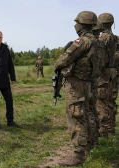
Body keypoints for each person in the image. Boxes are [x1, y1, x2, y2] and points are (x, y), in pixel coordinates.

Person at [54, 11, 98, 166]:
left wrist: (57, 63)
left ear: (81, 24)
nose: (75, 25)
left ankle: (78, 154)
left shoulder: (82, 41)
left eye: (77, 22)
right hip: (89, 83)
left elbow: (64, 59)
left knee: (76, 116)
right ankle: (91, 145)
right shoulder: (97, 41)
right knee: (87, 114)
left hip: (77, 85)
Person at [96, 13, 117, 136]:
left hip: (103, 73)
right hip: (110, 73)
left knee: (101, 102)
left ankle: (104, 131)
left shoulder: (104, 37)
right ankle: (110, 128)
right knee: (109, 102)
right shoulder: (113, 37)